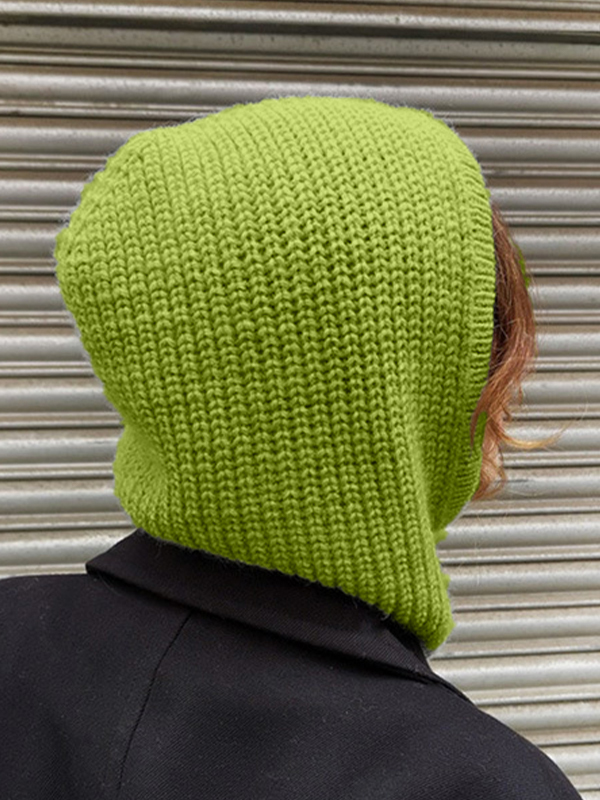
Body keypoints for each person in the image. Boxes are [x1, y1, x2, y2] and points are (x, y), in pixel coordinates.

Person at [0, 95, 580, 799]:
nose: (502, 400)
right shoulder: (478, 784)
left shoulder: (14, 645)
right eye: (482, 354)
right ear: (393, 388)